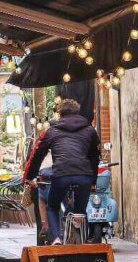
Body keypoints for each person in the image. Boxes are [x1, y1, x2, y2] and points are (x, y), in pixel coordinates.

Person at [24, 98, 100, 245]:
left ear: (60, 114)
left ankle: (56, 239)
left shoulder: (51, 132)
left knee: (52, 206)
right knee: (80, 210)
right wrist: (93, 181)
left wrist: (30, 176)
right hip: (84, 175)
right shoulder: (90, 130)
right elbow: (94, 157)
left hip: (61, 175)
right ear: (77, 112)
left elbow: (38, 154)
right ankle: (79, 225)